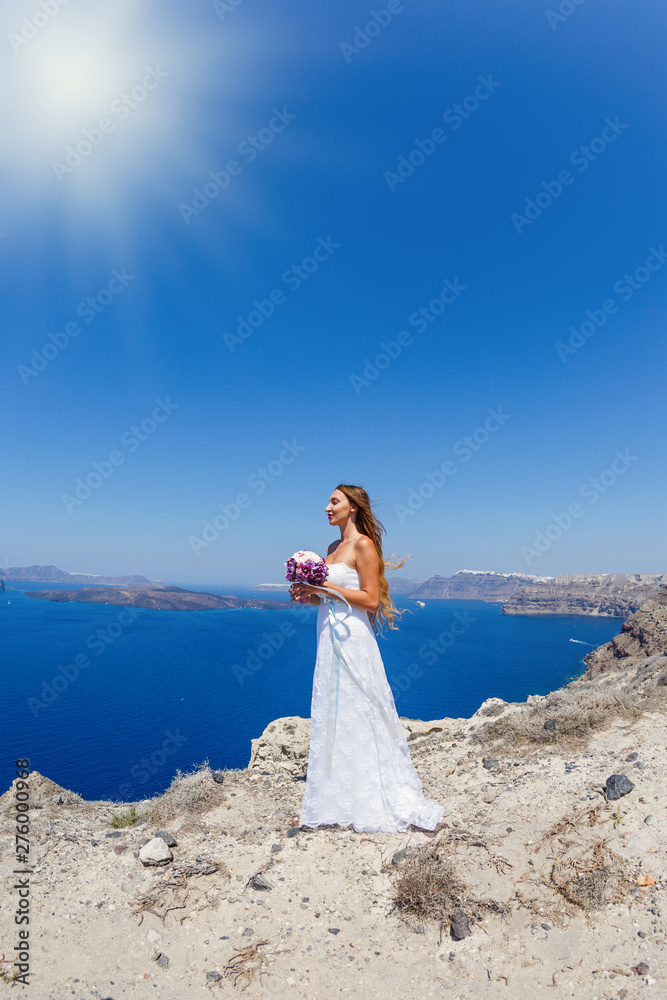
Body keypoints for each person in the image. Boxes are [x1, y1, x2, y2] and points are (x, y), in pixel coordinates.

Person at [289, 483, 446, 835]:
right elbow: (330, 600)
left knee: (361, 706)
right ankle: (336, 800)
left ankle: (373, 798)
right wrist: (309, 597)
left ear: (353, 507)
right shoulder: (331, 548)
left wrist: (323, 589)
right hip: (328, 634)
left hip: (353, 637)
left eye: (334, 501)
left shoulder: (364, 545)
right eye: (328, 501)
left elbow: (371, 600)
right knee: (334, 710)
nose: (327, 507)